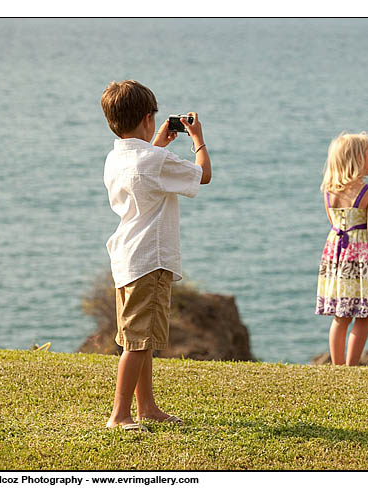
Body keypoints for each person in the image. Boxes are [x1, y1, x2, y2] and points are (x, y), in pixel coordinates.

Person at [100, 80, 211, 430]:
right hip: (151, 259)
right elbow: (203, 175)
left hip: (127, 257)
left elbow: (144, 169)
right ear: (149, 118)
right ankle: (120, 415)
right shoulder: (154, 159)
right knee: (137, 342)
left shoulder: (117, 156)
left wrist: (157, 144)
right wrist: (198, 140)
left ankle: (147, 406)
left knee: (141, 338)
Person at [316, 132, 368, 366]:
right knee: (364, 313)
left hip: (337, 254)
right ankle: (352, 364)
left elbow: (334, 223)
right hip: (363, 257)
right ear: (358, 160)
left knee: (341, 316)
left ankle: (337, 364)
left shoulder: (329, 191)